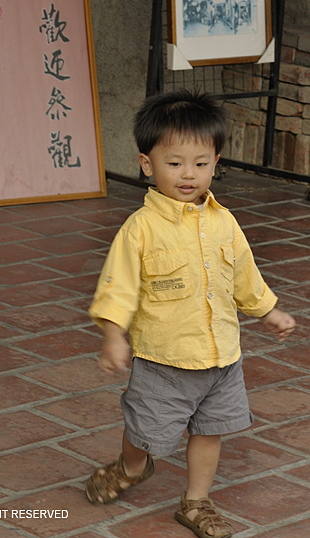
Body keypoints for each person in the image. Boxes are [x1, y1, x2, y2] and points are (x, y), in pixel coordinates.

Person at [86, 90, 295, 538]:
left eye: (201, 163)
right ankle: (132, 465)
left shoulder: (225, 222)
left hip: (222, 358)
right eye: (175, 162)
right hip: (165, 362)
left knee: (210, 431)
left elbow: (244, 275)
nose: (188, 174)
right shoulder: (140, 229)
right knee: (146, 432)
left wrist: (268, 310)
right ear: (148, 165)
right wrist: (113, 334)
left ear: (216, 162)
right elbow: (117, 288)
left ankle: (196, 501)